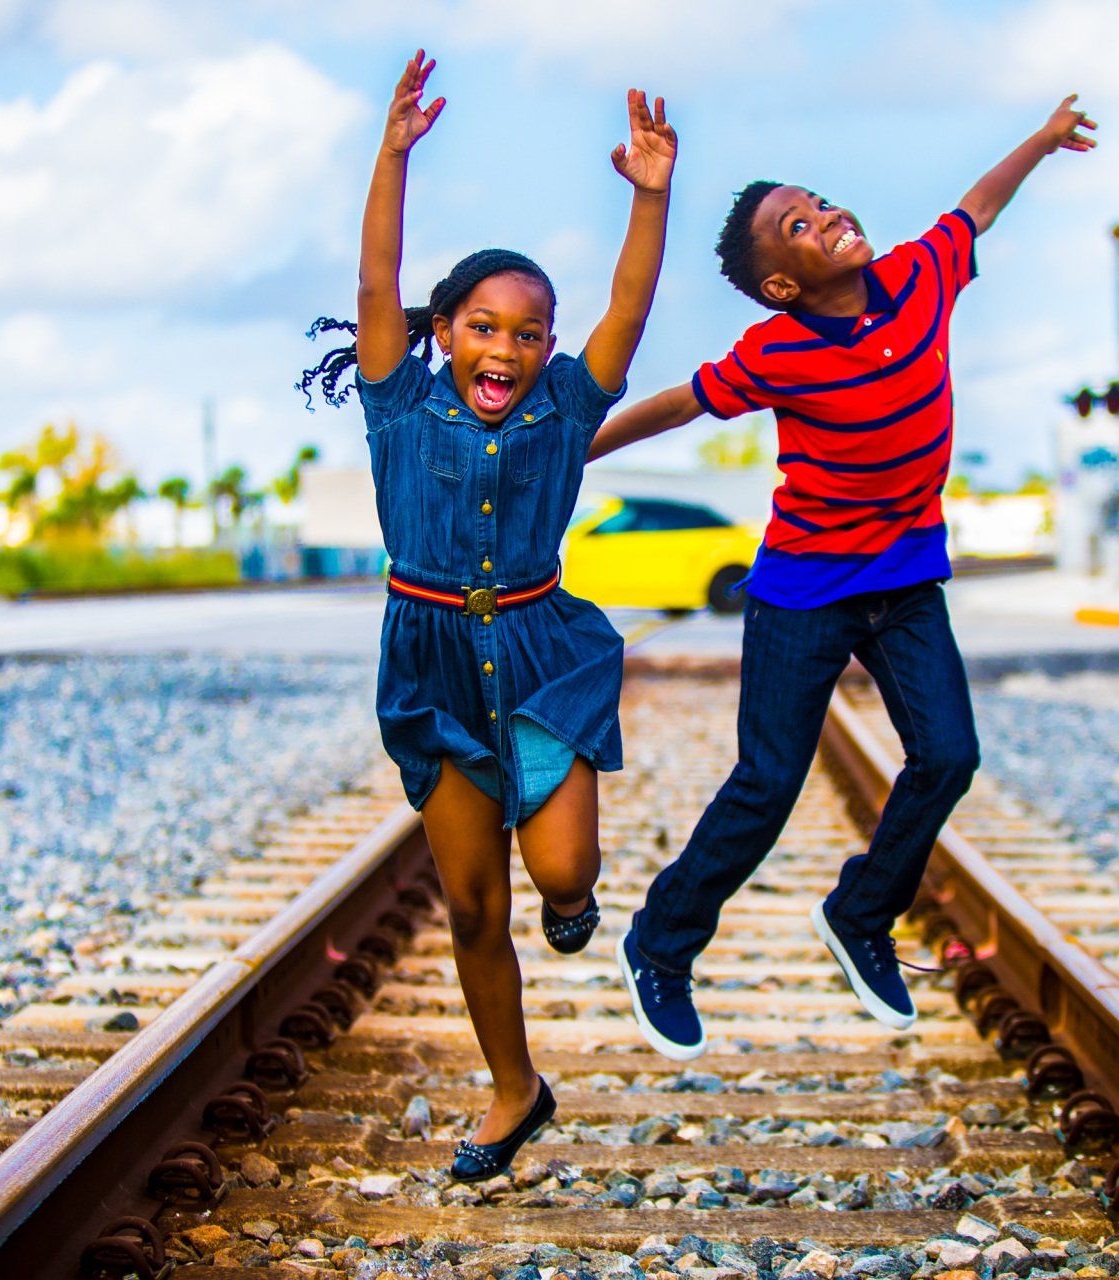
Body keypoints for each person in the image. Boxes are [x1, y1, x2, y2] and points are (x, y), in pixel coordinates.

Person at [592, 96, 1096, 1061]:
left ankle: (862, 916)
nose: (827, 217)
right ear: (783, 282)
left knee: (948, 755)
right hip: (802, 586)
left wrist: (1037, 140)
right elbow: (680, 405)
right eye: (801, 225)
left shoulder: (919, 275)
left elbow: (977, 207)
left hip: (905, 579)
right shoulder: (773, 351)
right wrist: (577, 442)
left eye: (821, 203)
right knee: (768, 782)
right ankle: (661, 943)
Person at [298, 51, 677, 1175]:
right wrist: (392, 155)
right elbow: (375, 282)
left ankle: (575, 899)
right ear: (444, 333)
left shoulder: (567, 405)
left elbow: (629, 305)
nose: (504, 348)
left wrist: (648, 197)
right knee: (471, 906)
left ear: (548, 350)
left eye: (527, 332)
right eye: (483, 326)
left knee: (560, 875)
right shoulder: (397, 401)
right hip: (429, 661)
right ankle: (515, 1087)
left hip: (540, 646)